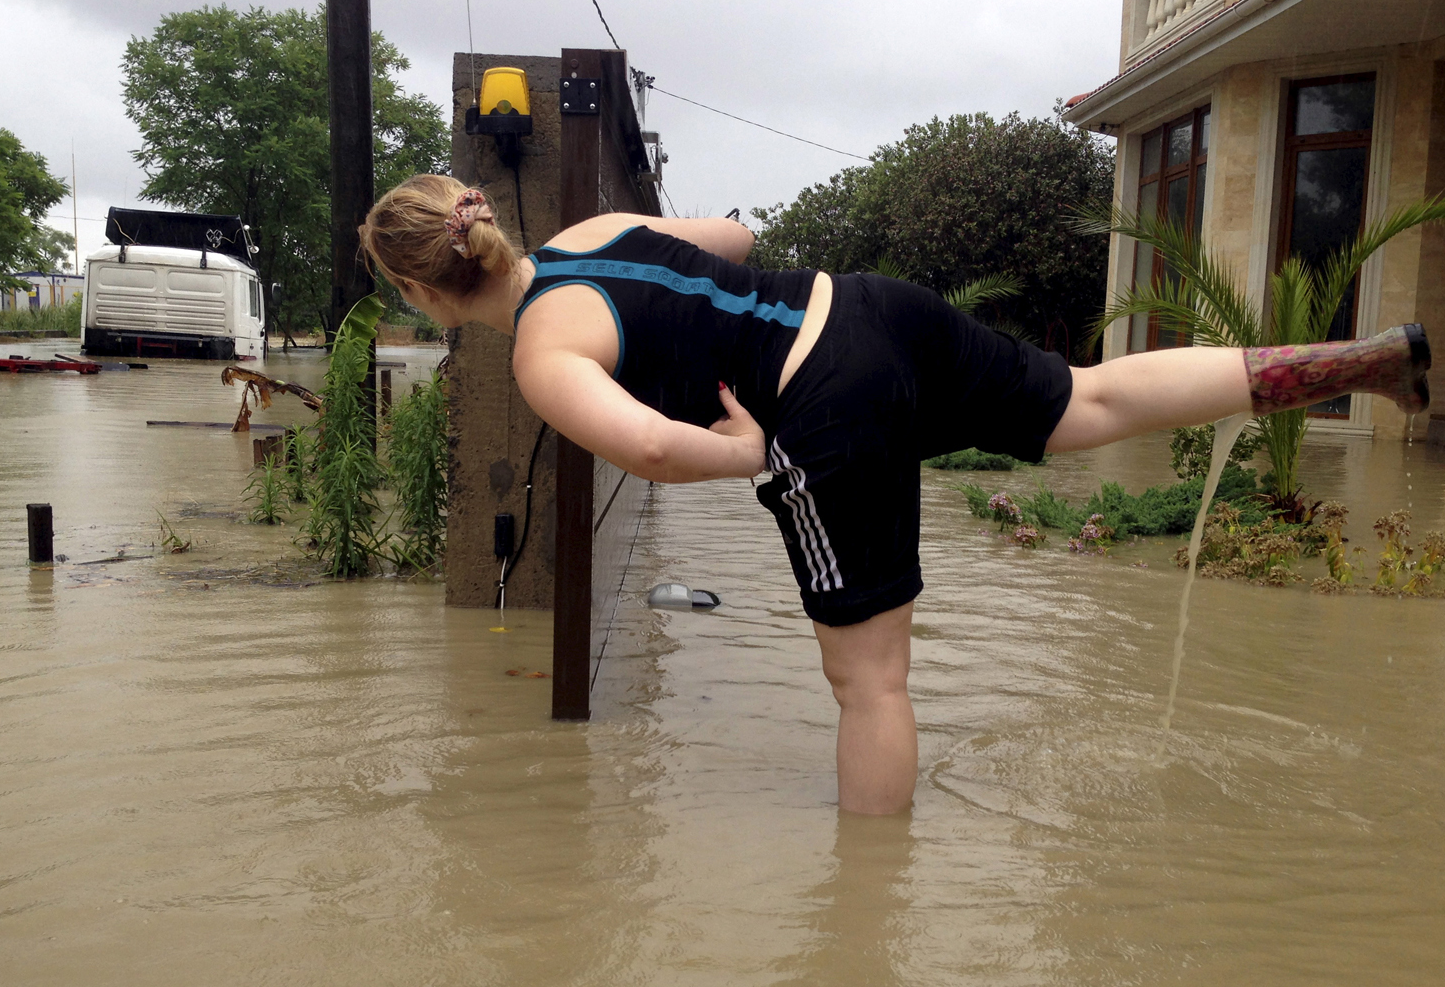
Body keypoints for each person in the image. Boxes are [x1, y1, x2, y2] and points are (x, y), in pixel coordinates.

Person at [359, 175, 1432, 815]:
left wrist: (753, 456)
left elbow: (654, 450)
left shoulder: (545, 354)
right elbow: (730, 243)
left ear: (421, 292)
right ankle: (1360, 361)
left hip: (823, 402)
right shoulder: (588, 234)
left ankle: (865, 918)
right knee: (1093, 397)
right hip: (866, 305)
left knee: (870, 685)